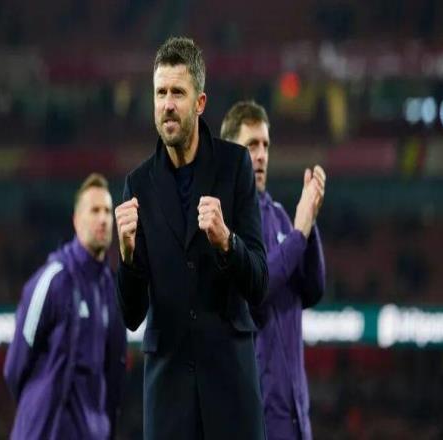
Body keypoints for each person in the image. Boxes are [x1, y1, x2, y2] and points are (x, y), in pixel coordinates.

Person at [115, 37, 268, 440]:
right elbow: (132, 315)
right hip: (169, 399)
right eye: (160, 93)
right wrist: (127, 257)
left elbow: (259, 283)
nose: (167, 104)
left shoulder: (235, 166)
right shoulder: (138, 185)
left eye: (177, 93)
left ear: (200, 103)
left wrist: (227, 242)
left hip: (230, 391)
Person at [221, 100, 326, 440]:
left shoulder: (279, 215)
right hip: (257, 417)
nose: (262, 155)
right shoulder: (223, 224)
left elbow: (313, 289)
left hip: (296, 414)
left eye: (265, 145)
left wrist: (309, 221)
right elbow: (257, 289)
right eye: (251, 145)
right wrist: (299, 233)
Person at [4, 173, 127, 439]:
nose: (103, 219)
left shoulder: (111, 290)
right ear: (76, 220)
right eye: (94, 210)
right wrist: (38, 410)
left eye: (108, 211)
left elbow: (113, 374)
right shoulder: (53, 280)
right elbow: (15, 367)